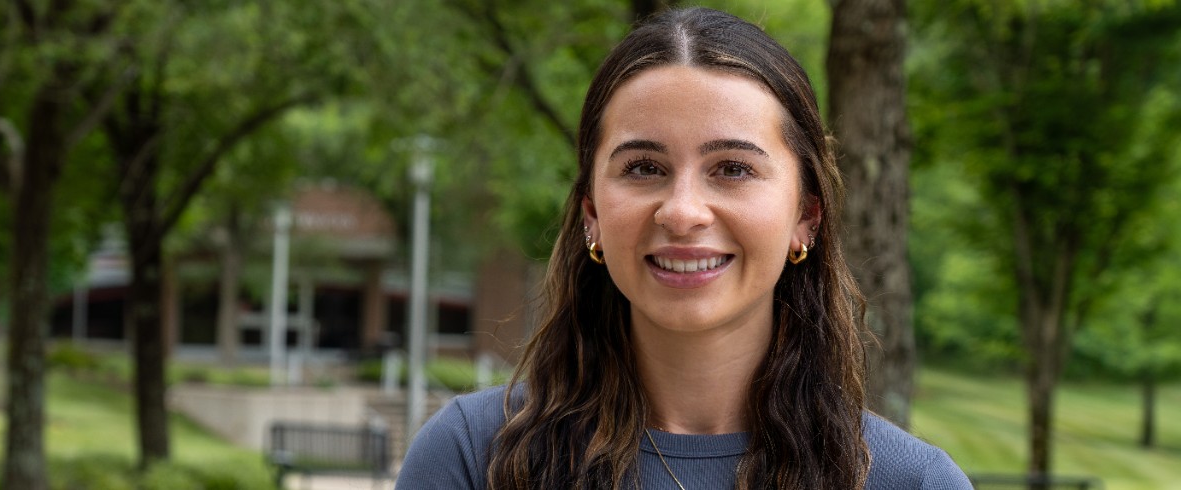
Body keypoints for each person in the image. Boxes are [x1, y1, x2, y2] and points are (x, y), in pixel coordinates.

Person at [396, 7, 971, 489]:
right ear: (592, 213)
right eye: (644, 167)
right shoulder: (474, 458)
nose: (683, 211)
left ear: (806, 216)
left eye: (733, 169)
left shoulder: (912, 482)